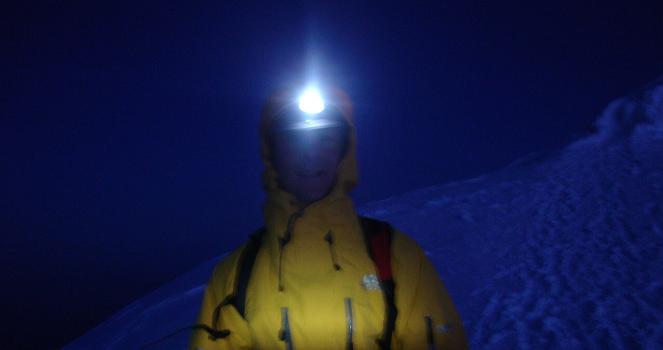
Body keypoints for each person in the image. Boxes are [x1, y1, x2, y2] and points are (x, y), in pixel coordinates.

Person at [189, 85, 468, 349]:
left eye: (325, 139)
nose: (309, 156)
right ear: (272, 156)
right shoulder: (233, 276)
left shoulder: (397, 256)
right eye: (292, 140)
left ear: (343, 153)